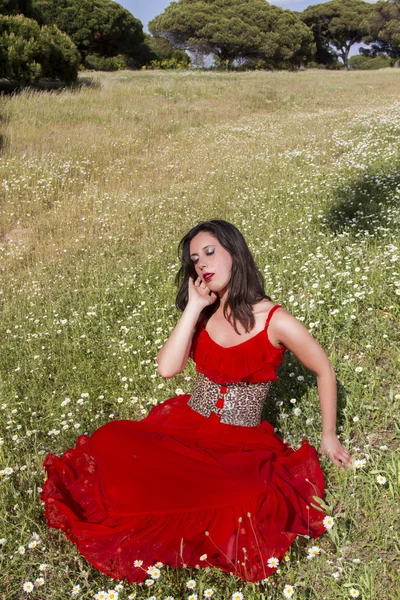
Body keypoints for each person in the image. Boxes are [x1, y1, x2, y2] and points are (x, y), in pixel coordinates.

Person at [41, 219, 353, 585]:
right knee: (111, 437)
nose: (202, 263)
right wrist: (192, 308)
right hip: (187, 425)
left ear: (234, 253)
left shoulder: (275, 320)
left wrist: (328, 435)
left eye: (210, 252)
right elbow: (167, 369)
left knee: (250, 499)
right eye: (195, 259)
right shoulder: (203, 314)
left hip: (239, 442)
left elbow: (324, 370)